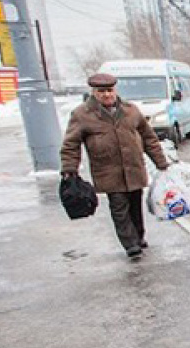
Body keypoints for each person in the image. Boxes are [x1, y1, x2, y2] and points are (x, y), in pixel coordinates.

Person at [60, 73, 170, 258]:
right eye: (101, 91)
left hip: (133, 168)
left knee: (135, 205)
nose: (106, 95)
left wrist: (161, 162)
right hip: (108, 171)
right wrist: (69, 169)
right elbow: (71, 144)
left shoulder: (130, 110)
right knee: (119, 206)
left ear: (115, 90)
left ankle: (139, 237)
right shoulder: (82, 115)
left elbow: (149, 137)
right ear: (94, 92)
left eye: (109, 90)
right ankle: (130, 244)